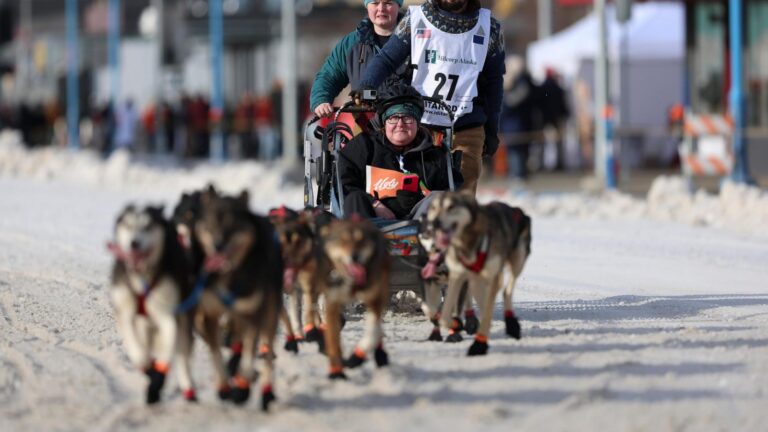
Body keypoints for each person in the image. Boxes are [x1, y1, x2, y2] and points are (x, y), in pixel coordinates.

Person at [357, 0, 506, 195]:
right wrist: (367, 86)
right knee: (420, 192)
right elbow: (386, 59)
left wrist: (492, 129)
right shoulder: (416, 19)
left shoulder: (490, 27)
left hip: (467, 126)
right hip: (422, 125)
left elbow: (494, 83)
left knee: (462, 196)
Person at [338, 84, 462, 219]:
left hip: (420, 224)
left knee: (439, 199)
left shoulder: (434, 156)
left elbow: (450, 192)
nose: (400, 124)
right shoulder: (364, 146)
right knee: (355, 198)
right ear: (384, 123)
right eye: (393, 118)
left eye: (407, 117)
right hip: (371, 223)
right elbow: (345, 183)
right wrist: (374, 203)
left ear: (417, 122)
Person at [310, 0, 406, 119]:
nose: (381, 8)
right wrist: (321, 100)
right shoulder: (352, 43)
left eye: (388, 3)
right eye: (375, 3)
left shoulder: (418, 40)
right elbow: (329, 75)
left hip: (408, 125)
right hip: (366, 126)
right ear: (367, 6)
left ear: (398, 5)